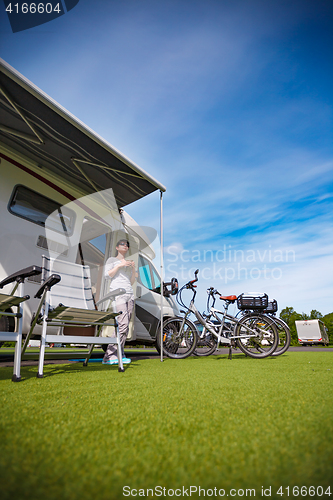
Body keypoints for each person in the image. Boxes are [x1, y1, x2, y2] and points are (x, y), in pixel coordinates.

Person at [102, 239, 135, 365]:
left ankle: (119, 353)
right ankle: (109, 356)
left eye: (127, 245)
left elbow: (131, 281)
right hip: (118, 294)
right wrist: (119, 265)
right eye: (122, 244)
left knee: (124, 328)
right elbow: (108, 275)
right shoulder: (111, 260)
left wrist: (132, 270)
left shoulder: (128, 263)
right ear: (117, 247)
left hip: (129, 294)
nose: (125, 246)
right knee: (123, 324)